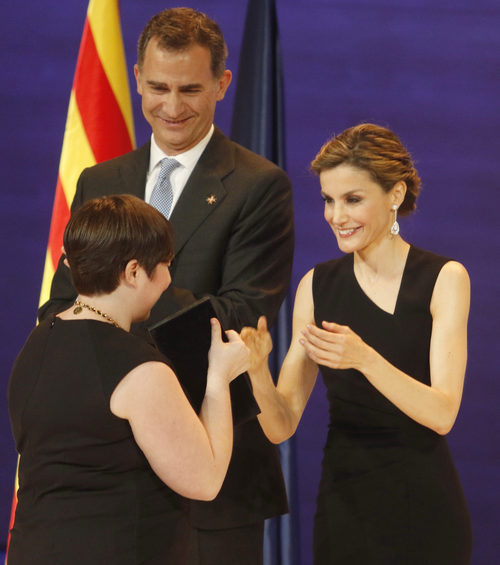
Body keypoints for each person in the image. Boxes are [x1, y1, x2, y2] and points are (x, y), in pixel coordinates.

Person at [38, 7, 293, 565]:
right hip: (106, 471)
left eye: (190, 89)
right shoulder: (100, 181)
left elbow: (240, 316)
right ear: (136, 79)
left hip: (214, 471)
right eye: (157, 87)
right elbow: (62, 304)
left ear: (223, 84)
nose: (172, 107)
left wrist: (122, 301)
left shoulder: (259, 186)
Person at [241, 123, 472, 564]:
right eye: (328, 200)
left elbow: (442, 413)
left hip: (424, 509)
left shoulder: (444, 279)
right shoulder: (317, 286)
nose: (335, 216)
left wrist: (365, 359)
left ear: (395, 195)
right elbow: (281, 424)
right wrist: (256, 372)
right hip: (344, 507)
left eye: (352, 200)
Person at [8, 195, 249, 565]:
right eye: (166, 265)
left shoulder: (39, 339)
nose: (169, 280)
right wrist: (219, 377)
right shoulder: (140, 369)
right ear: (134, 272)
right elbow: (205, 480)